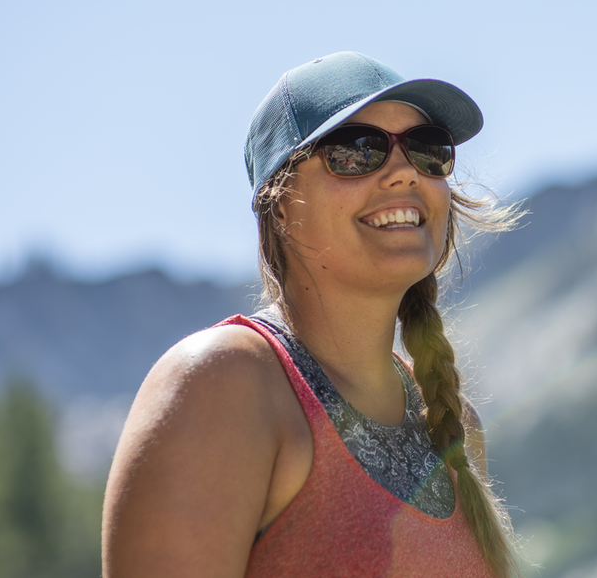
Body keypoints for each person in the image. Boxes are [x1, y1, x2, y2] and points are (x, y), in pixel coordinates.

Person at [102, 52, 519, 577]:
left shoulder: (454, 425)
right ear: (280, 205)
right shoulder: (223, 383)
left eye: (427, 149)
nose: (403, 173)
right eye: (356, 149)